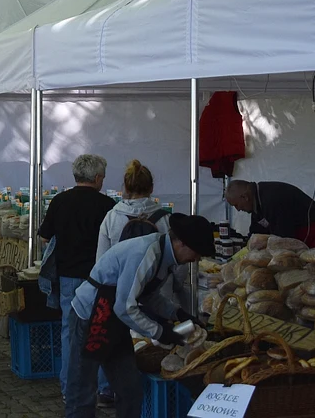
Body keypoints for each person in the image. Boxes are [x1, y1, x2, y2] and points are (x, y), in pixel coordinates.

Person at [64, 214, 214, 418]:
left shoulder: (162, 255)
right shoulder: (145, 253)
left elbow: (149, 295)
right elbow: (125, 307)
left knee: (130, 389)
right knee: (82, 392)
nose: (196, 260)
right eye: (196, 253)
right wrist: (161, 332)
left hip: (113, 321)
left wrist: (178, 313)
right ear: (182, 243)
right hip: (91, 317)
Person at [38, 154, 117, 406]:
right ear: (96, 178)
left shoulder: (59, 201)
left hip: (69, 277)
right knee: (102, 331)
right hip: (99, 278)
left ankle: (69, 388)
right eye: (102, 177)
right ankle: (104, 389)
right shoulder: (107, 205)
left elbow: (44, 238)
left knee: (70, 333)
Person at [96, 160, 171, 260]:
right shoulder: (166, 219)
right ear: (151, 188)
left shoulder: (112, 217)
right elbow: (176, 263)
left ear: (126, 188)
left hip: (120, 275)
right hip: (156, 275)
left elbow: (101, 261)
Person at [225, 179, 315, 246]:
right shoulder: (256, 200)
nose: (238, 209)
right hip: (292, 234)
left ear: (245, 197)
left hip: (310, 231)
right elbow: (257, 231)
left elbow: (283, 238)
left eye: (236, 205)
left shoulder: (271, 198)